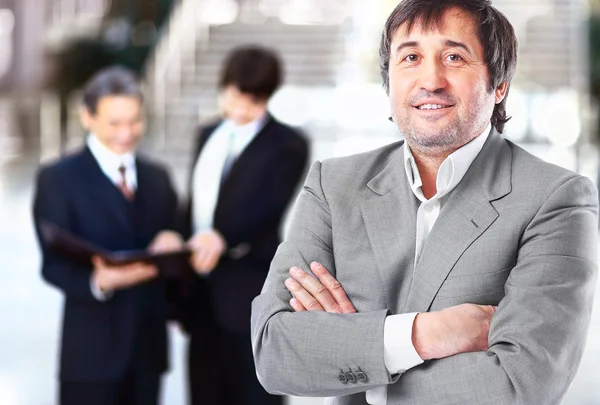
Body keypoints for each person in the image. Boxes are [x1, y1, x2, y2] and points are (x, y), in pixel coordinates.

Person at [251, 1, 599, 405]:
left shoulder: (555, 198)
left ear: (499, 82)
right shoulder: (335, 185)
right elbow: (274, 353)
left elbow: (521, 384)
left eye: (454, 56)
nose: (430, 79)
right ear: (389, 80)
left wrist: (363, 361)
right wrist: (427, 334)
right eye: (411, 57)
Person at [33, 66, 183, 405]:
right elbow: (51, 265)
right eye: (115, 123)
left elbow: (178, 242)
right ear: (88, 117)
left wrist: (174, 241)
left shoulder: (158, 178)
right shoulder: (58, 179)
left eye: (135, 121)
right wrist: (99, 282)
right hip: (90, 353)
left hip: (147, 348)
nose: (126, 133)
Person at [182, 46, 309, 405]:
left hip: (249, 291)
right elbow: (194, 203)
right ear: (224, 87)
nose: (240, 109)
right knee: (204, 390)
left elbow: (266, 207)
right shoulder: (207, 134)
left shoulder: (287, 144)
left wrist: (220, 237)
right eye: (235, 97)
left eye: (252, 102)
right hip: (202, 292)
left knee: (253, 394)